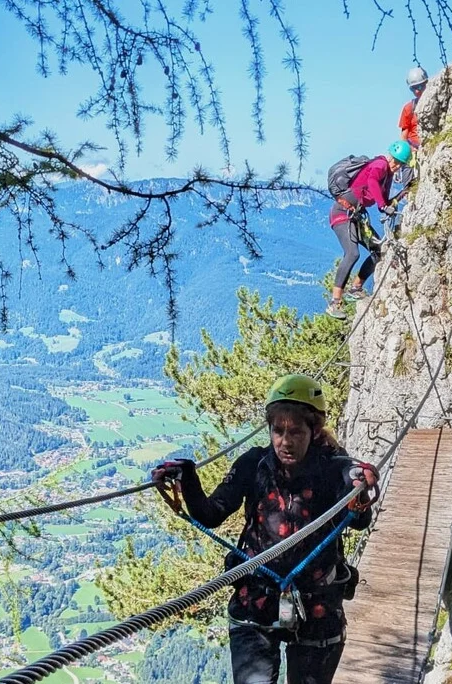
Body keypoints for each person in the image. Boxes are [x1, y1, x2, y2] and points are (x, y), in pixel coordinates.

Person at [150, 374, 380, 684]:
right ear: (269, 430)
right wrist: (188, 478)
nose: (286, 441)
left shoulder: (335, 468)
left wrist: (358, 490)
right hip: (257, 600)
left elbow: (359, 519)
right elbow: (211, 514)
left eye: (296, 431)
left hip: (316, 605)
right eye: (278, 431)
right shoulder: (253, 465)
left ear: (314, 431)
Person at [326, 141, 415, 320]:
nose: (396, 165)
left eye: (400, 164)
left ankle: (356, 288)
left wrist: (403, 193)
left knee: (379, 251)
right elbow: (372, 182)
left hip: (356, 216)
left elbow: (385, 202)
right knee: (352, 254)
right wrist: (382, 206)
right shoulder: (380, 164)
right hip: (342, 213)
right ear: (389, 155)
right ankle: (335, 302)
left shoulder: (387, 176)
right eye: (395, 161)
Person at [400, 66, 429, 150]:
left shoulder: (438, 103)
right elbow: (403, 137)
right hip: (414, 150)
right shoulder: (408, 108)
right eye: (413, 88)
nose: (416, 91)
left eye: (419, 87)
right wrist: (410, 149)